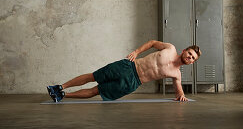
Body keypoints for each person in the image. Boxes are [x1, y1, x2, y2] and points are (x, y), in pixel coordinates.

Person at [47, 40, 201, 102]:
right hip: (129, 66)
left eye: (193, 58)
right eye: (190, 54)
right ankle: (61, 86)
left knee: (97, 91)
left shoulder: (177, 74)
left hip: (133, 82)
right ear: (184, 51)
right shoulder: (170, 48)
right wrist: (136, 52)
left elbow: (179, 92)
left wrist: (181, 96)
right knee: (93, 76)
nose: (190, 58)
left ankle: (63, 95)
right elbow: (153, 43)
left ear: (192, 62)